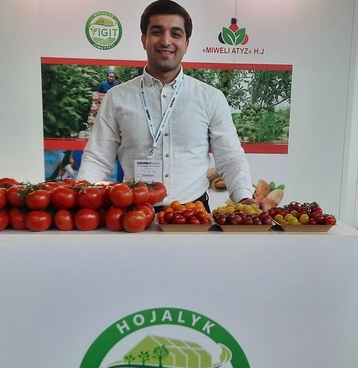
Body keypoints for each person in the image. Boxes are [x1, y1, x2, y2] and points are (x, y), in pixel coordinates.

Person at [77, 0, 260, 211]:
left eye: (175, 33)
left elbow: (229, 157)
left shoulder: (210, 97)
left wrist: (244, 197)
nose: (166, 41)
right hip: (133, 214)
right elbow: (98, 157)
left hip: (193, 214)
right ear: (144, 40)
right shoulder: (117, 97)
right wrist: (82, 197)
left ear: (186, 43)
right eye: (157, 32)